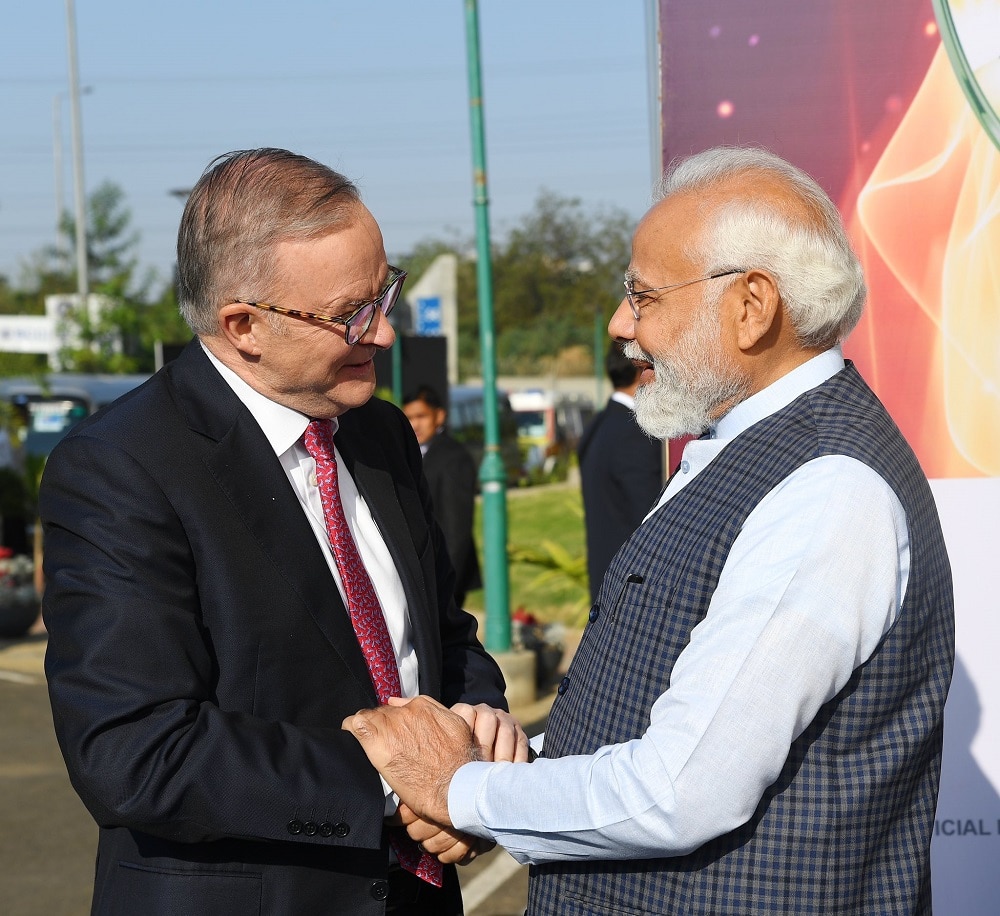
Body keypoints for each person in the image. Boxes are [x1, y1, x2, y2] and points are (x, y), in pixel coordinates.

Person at [343, 146, 956, 915]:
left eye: (643, 294)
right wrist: (510, 775)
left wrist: (460, 790)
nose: (621, 324)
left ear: (752, 306)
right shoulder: (760, 448)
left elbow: (680, 789)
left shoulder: (827, 488)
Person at [40, 148, 527, 916]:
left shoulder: (381, 435)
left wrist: (478, 732)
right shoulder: (122, 469)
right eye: (352, 314)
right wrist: (396, 784)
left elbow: (441, 634)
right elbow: (135, 750)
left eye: (385, 292)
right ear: (244, 326)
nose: (387, 333)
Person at [577, 341, 663, 603]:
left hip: (606, 578)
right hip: (633, 589)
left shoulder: (598, 425)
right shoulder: (634, 433)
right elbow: (650, 514)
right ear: (642, 369)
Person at [402, 385, 481, 606]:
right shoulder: (407, 451)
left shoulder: (453, 457)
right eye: (408, 417)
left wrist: (447, 585)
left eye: (421, 416)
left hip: (443, 578)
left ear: (440, 416)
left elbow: (457, 528)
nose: (415, 424)